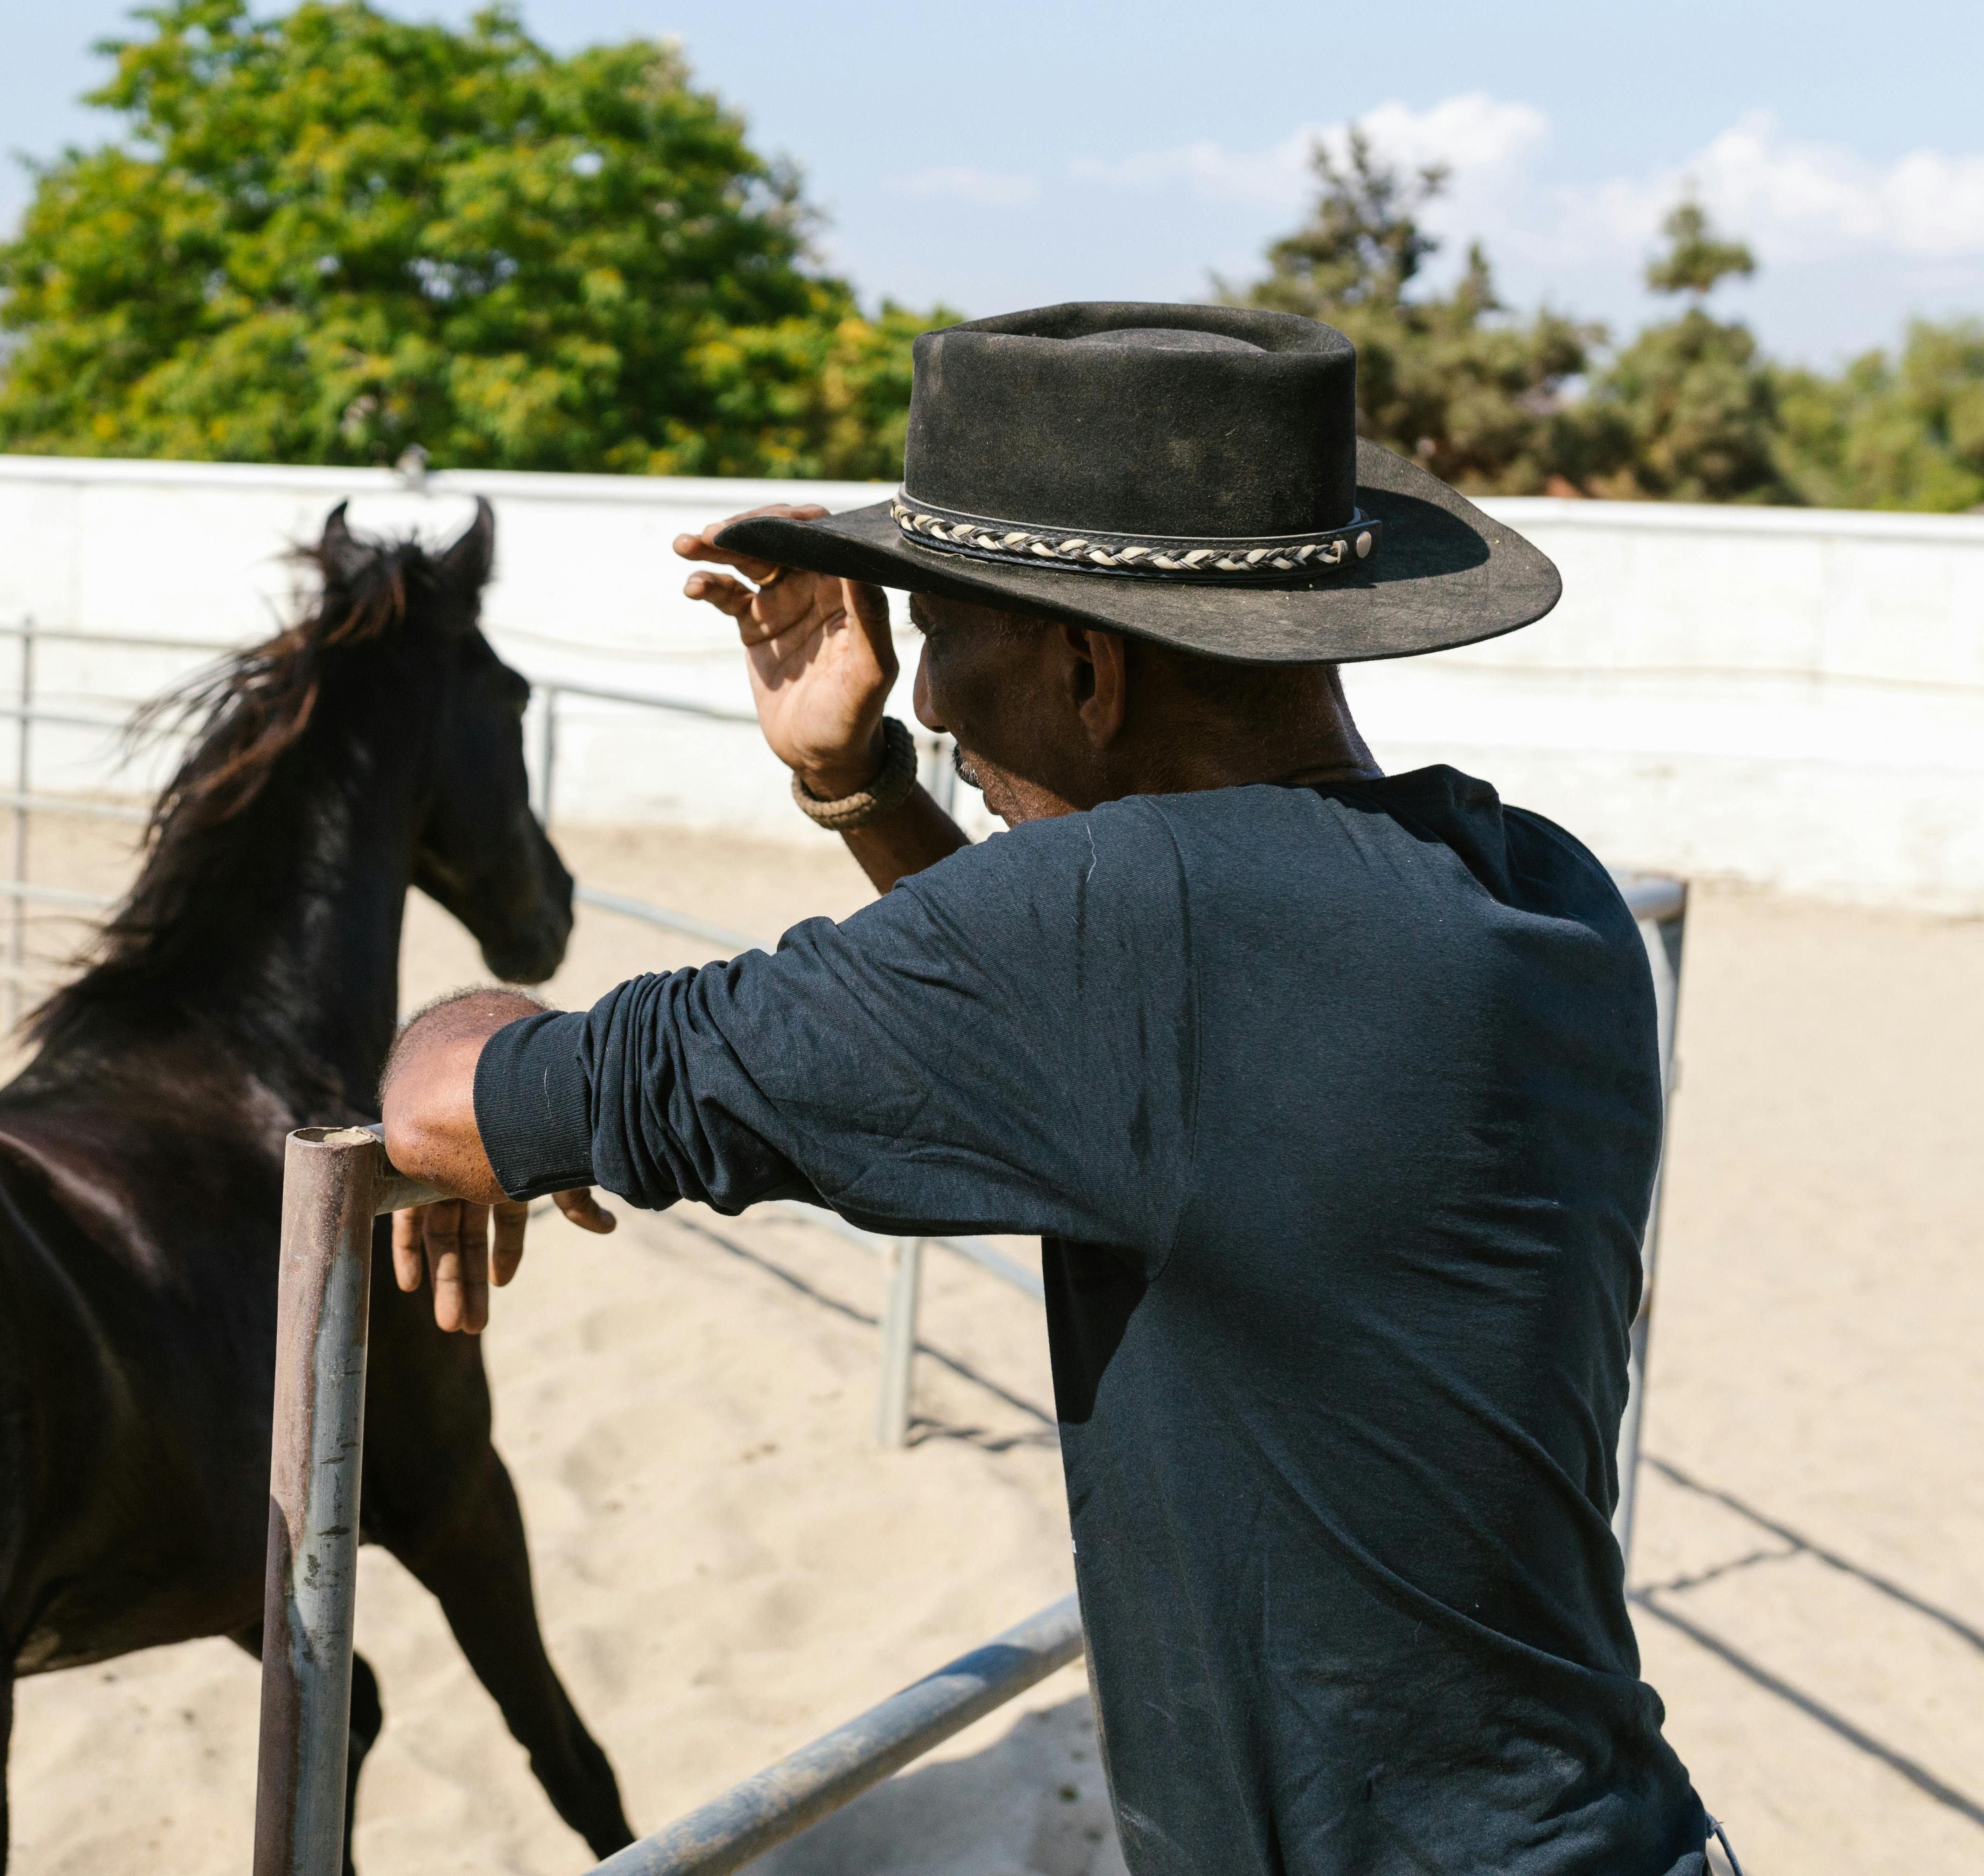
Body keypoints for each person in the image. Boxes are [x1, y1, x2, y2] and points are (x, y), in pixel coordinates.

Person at [378, 304, 1724, 1875]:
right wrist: (860, 783)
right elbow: (1099, 1041)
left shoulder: (1135, 929)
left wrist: (449, 1021)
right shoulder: (1536, 889)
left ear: (1089, 666)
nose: (929, 701)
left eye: (945, 635)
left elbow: (453, 1107)